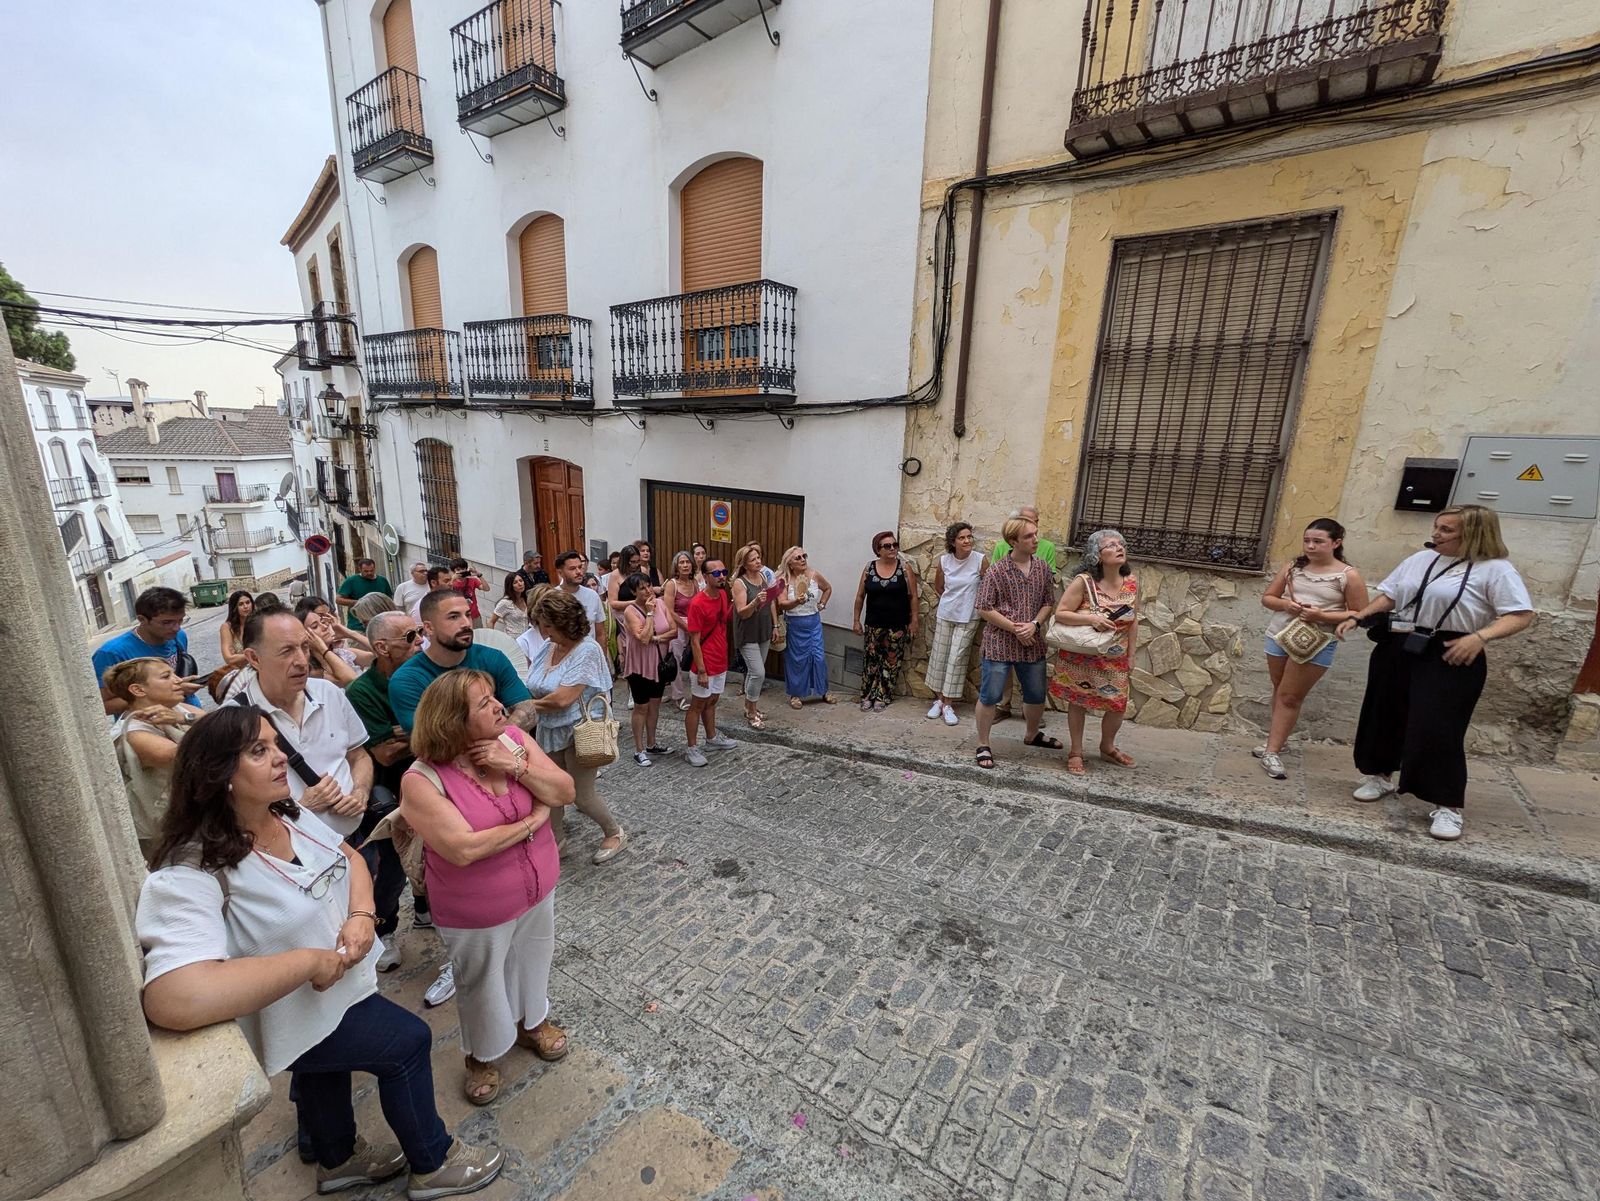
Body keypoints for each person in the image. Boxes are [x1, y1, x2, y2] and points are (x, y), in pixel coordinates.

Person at [136, 705, 505, 1197]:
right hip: (292, 1011)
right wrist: (307, 962)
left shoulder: (287, 814)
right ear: (219, 773)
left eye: (276, 744)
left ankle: (337, 1158)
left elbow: (349, 856)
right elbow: (172, 995)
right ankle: (434, 1164)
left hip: (335, 996)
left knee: (323, 1074)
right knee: (408, 1043)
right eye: (259, 750)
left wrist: (359, 915)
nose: (279, 758)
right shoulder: (191, 869)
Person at [400, 670, 575, 1105]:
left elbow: (565, 789)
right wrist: (533, 821)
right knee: (481, 981)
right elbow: (462, 849)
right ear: (452, 721)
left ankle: (531, 1023)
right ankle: (480, 1055)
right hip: (474, 909)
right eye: (484, 704)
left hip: (538, 888)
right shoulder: (421, 780)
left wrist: (513, 765)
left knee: (534, 960)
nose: (500, 707)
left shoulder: (513, 740)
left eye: (494, 699)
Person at [1336, 505, 1534, 840]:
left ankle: (1446, 805)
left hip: (1451, 650)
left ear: (1472, 534)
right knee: (1384, 712)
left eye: (1446, 530)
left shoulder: (1495, 570)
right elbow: (1390, 595)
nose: (1436, 534)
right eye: (1437, 527)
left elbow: (1520, 614)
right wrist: (1359, 617)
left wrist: (1479, 637)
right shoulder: (1420, 559)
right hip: (1401, 643)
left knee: (1438, 726)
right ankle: (1380, 776)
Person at [235, 609, 374, 841]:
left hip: (355, 840)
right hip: (293, 859)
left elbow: (358, 756)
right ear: (254, 658)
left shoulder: (329, 693)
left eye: (305, 647)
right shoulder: (233, 719)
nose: (302, 661)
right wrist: (299, 808)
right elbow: (233, 807)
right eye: (286, 651)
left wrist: (360, 792)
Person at [343, 612, 425, 970]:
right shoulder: (361, 691)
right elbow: (383, 752)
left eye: (421, 632)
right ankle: (384, 930)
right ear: (381, 647)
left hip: (428, 783)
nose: (420, 640)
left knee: (434, 855)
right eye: (410, 636)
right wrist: (428, 732)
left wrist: (408, 733)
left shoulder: (426, 673)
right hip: (387, 795)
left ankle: (426, 910)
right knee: (390, 869)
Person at [1256, 519, 1369, 780]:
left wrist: (1322, 616)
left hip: (1317, 641)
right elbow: (1268, 598)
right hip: (1280, 635)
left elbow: (1361, 613)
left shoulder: (1347, 575)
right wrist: (1286, 606)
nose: (1310, 546)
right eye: (1307, 540)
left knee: (1290, 696)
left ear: (1336, 543)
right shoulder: (1293, 567)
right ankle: (1277, 741)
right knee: (1280, 689)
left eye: (1318, 541)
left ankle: (1271, 752)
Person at [523, 590, 626, 862]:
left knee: (581, 795)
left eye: (548, 625)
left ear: (564, 622)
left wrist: (525, 707)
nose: (543, 632)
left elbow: (563, 699)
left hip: (580, 730)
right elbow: (532, 683)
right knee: (550, 788)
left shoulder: (587, 650)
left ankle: (614, 832)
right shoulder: (550, 646)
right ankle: (556, 841)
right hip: (549, 728)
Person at [1050, 529, 1139, 775]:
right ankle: (1076, 752)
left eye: (1121, 543)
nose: (1120, 547)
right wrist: (1091, 619)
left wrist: (1131, 654)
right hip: (1082, 657)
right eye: (1111, 545)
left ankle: (1107, 746)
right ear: (1097, 556)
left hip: (1115, 657)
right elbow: (1061, 613)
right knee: (1078, 702)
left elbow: (1134, 620)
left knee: (1117, 705)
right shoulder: (1084, 582)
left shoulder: (1131, 581)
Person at [972, 517, 1058, 769]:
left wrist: (1035, 624)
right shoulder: (997, 570)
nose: (1036, 539)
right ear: (1013, 542)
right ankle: (982, 743)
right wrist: (1014, 627)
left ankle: (1031, 734)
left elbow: (1048, 602)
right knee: (990, 695)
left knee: (1035, 693)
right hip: (1000, 643)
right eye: (1029, 536)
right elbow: (984, 608)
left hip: (1032, 642)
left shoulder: (1042, 568)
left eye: (1035, 534)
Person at [389, 591, 535, 732]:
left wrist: (501, 740)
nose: (466, 623)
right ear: (429, 628)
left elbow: (528, 711)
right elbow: (429, 738)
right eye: (453, 617)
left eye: (468, 615)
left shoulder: (492, 658)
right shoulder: (407, 679)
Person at [105, 658, 200, 854]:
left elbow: (226, 726)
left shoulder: (175, 709)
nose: (178, 681)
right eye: (167, 677)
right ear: (138, 690)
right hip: (172, 834)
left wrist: (185, 718)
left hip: (198, 818)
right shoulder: (134, 734)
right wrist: (189, 720)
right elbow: (193, 756)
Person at [990, 505, 1060, 720]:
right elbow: (994, 583)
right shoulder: (1001, 547)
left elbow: (1047, 583)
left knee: (1031, 668)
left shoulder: (1046, 547)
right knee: (1004, 668)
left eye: (1036, 523)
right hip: (1006, 622)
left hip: (1033, 619)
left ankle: (1031, 716)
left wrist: (1032, 624)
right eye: (1029, 524)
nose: (1035, 530)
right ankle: (1004, 704)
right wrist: (1015, 627)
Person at [94, 586, 204, 715]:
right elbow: (102, 706)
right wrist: (164, 693)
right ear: (142, 619)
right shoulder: (112, 652)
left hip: (189, 713)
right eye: (167, 622)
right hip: (149, 724)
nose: (176, 628)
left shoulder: (179, 636)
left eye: (180, 620)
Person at [925, 522, 985, 725]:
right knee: (939, 657)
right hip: (946, 614)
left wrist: (972, 604)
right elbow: (939, 587)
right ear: (953, 542)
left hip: (968, 617)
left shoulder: (980, 560)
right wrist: (953, 601)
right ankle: (939, 701)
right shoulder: (944, 561)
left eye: (969, 536)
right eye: (962, 538)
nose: (967, 541)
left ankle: (948, 704)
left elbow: (988, 587)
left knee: (956, 658)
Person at [852, 531, 919, 712]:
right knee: (871, 661)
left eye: (894, 545)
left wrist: (914, 621)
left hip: (897, 625)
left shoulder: (904, 568)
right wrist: (856, 620)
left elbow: (913, 597)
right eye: (887, 546)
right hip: (873, 624)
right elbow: (860, 596)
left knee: (891, 662)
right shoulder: (869, 568)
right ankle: (867, 695)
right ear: (878, 550)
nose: (892, 549)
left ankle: (883, 695)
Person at [685, 559, 740, 767]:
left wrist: (737, 603)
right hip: (704, 664)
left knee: (713, 700)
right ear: (706, 577)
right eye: (716, 574)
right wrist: (701, 670)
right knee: (697, 704)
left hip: (720, 660)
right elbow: (695, 640)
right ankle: (691, 747)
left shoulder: (724, 595)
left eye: (723, 572)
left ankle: (711, 738)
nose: (721, 576)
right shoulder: (698, 603)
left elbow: (722, 620)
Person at [619, 573, 674, 765]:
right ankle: (639, 749)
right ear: (634, 591)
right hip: (640, 666)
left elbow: (673, 630)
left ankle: (652, 744)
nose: (648, 590)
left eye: (649, 586)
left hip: (658, 663)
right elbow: (643, 638)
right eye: (642, 588)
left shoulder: (661, 603)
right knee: (641, 707)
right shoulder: (630, 611)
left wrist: (657, 639)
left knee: (655, 705)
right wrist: (650, 614)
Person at [776, 546, 835, 708]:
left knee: (819, 657)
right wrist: (796, 601)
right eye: (798, 558)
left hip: (813, 622)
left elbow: (828, 588)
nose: (803, 560)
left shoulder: (814, 575)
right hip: (794, 624)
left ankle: (823, 690)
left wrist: (821, 604)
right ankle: (796, 694)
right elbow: (782, 604)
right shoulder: (783, 580)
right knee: (797, 660)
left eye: (804, 556)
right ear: (790, 564)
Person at [730, 542, 779, 729]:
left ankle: (750, 706)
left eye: (758, 558)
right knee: (758, 672)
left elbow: (771, 602)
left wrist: (775, 625)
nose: (758, 561)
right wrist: (754, 602)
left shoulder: (762, 576)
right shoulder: (739, 583)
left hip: (763, 629)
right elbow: (742, 612)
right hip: (748, 633)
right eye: (753, 559)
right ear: (744, 563)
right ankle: (751, 712)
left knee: (754, 673)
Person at [296, 598, 368, 687]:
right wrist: (322, 649)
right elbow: (351, 680)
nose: (325, 625)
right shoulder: (314, 671)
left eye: (322, 621)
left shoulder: (342, 653)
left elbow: (380, 654)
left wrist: (349, 633)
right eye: (315, 626)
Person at [662, 550, 700, 711]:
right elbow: (669, 611)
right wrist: (686, 627)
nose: (685, 565)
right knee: (676, 660)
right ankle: (678, 695)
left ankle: (698, 691)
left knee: (696, 657)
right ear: (676, 566)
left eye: (687, 562)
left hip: (693, 623)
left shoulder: (695, 583)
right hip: (676, 624)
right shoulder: (672, 584)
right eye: (681, 563)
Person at [554, 549, 607, 643]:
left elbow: (601, 633)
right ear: (560, 572)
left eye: (580, 567)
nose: (578, 572)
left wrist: (602, 656)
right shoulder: (552, 597)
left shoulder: (592, 596)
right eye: (572, 568)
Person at [336, 559, 392, 634]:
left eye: (371, 570)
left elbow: (389, 600)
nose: (369, 573)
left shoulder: (382, 581)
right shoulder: (351, 581)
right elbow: (338, 600)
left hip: (380, 626)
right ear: (360, 569)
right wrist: (360, 602)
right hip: (358, 626)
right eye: (366, 571)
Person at [488, 572, 532, 639]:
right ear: (510, 586)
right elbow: (491, 621)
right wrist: (491, 639)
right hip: (512, 640)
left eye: (521, 581)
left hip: (526, 639)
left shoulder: (526, 598)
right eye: (515, 582)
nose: (520, 584)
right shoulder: (505, 603)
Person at [220, 590, 254, 671]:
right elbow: (229, 658)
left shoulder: (258, 623)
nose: (246, 606)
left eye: (248, 602)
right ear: (234, 608)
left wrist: (239, 656)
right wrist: (255, 654)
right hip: (239, 673)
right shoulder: (227, 628)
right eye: (241, 604)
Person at [449, 559, 485, 627]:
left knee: (478, 635)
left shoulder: (473, 580)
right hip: (459, 617)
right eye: (458, 569)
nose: (461, 571)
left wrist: (479, 575)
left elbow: (486, 588)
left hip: (474, 615)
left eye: (463, 569)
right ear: (454, 571)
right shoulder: (451, 583)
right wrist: (452, 579)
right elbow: (446, 594)